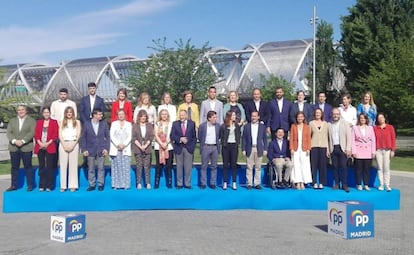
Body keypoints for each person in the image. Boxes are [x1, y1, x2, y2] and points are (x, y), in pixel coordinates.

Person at [6, 105, 36, 192]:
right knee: (14, 167)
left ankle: (30, 185)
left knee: (28, 166)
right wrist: (15, 141)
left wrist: (22, 141)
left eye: (22, 110)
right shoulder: (12, 121)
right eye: (19, 110)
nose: (20, 111)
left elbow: (32, 132)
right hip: (14, 147)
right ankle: (14, 185)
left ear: (26, 111)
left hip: (26, 147)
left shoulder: (31, 121)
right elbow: (9, 132)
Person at [80, 108, 110, 191]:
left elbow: (107, 137)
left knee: (101, 168)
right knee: (91, 168)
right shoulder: (86, 124)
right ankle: (92, 184)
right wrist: (84, 149)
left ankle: (100, 184)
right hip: (90, 149)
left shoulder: (104, 124)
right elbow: (83, 138)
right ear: (94, 115)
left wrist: (106, 148)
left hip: (101, 149)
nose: (101, 116)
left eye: (101, 114)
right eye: (99, 114)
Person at [33, 106, 59, 192]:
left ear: (50, 113)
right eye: (44, 112)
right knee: (41, 166)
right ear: (42, 114)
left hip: (50, 146)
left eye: (47, 112)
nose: (46, 114)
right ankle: (42, 185)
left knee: (49, 166)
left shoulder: (54, 122)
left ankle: (49, 185)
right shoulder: (39, 122)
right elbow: (36, 134)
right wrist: (40, 143)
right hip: (40, 146)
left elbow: (55, 134)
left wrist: (47, 143)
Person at [170, 109, 197, 189]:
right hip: (179, 147)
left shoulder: (192, 124)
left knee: (188, 167)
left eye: (183, 115)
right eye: (180, 115)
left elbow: (194, 137)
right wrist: (180, 139)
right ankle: (179, 183)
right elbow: (172, 135)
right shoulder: (175, 124)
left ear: (186, 116)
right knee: (179, 166)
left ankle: (187, 183)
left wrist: (191, 145)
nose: (181, 117)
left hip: (189, 148)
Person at [242, 111, 268, 190]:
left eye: (255, 116)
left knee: (258, 167)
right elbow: (244, 139)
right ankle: (249, 183)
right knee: (249, 167)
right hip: (249, 148)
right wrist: (243, 149)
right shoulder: (246, 126)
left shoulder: (262, 126)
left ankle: (257, 183)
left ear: (258, 117)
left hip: (259, 148)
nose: (253, 118)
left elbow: (265, 139)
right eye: (252, 116)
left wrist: (265, 149)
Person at [328, 108, 352, 192]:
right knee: (335, 167)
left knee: (343, 166)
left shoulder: (344, 123)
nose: (335, 115)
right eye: (334, 114)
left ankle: (344, 184)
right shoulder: (329, 124)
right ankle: (337, 184)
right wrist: (328, 149)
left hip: (343, 148)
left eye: (337, 114)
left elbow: (349, 137)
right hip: (333, 147)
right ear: (332, 114)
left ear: (339, 115)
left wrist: (348, 148)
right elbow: (328, 139)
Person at [58, 106, 81, 192]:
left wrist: (73, 145)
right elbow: (60, 134)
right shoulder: (62, 122)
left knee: (73, 165)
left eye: (70, 112)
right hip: (63, 143)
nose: (69, 114)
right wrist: (63, 144)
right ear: (65, 113)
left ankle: (73, 185)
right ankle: (63, 186)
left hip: (74, 143)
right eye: (67, 112)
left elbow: (78, 134)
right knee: (63, 165)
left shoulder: (77, 122)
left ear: (73, 113)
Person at [351, 113, 376, 191]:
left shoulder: (370, 128)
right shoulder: (355, 128)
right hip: (358, 151)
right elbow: (352, 140)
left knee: (367, 169)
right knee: (358, 169)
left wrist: (373, 152)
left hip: (368, 151)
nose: (362, 120)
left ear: (366, 120)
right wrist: (353, 151)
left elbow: (373, 140)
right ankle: (359, 184)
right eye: (361, 118)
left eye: (364, 118)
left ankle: (366, 184)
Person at [110, 109, 132, 189]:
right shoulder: (114, 124)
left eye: (122, 114)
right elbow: (112, 135)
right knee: (116, 167)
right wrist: (118, 144)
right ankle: (116, 185)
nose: (121, 115)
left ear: (125, 115)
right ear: (117, 115)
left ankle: (125, 185)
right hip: (116, 148)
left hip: (125, 148)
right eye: (119, 114)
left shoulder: (129, 124)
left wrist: (124, 144)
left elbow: (130, 136)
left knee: (125, 167)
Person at [198, 110, 221, 189]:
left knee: (214, 166)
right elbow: (200, 136)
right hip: (206, 147)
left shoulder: (218, 126)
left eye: (216, 117)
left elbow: (219, 136)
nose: (215, 119)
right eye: (214, 117)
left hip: (215, 147)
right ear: (209, 118)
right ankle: (203, 183)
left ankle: (212, 183)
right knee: (204, 166)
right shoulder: (202, 126)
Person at [132, 110, 154, 189]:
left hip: (147, 148)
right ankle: (138, 183)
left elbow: (151, 136)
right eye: (142, 116)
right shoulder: (135, 126)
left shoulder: (149, 125)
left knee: (147, 166)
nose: (143, 118)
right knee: (139, 166)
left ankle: (148, 183)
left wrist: (145, 145)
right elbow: (133, 137)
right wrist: (140, 146)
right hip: (138, 148)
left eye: (144, 116)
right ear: (139, 117)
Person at [374, 113, 396, 191]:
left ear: (384, 118)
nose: (380, 119)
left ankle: (387, 184)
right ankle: (381, 184)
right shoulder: (375, 128)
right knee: (380, 168)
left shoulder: (390, 127)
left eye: (382, 117)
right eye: (379, 118)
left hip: (387, 150)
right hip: (378, 150)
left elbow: (393, 139)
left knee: (386, 167)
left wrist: (393, 150)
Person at [290, 111, 312, 190]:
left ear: (303, 118)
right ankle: (297, 182)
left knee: (304, 164)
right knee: (296, 165)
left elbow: (309, 139)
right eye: (298, 117)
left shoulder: (307, 126)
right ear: (296, 118)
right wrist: (291, 148)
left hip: (304, 148)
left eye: (301, 117)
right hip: (295, 148)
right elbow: (291, 138)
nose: (300, 118)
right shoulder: (293, 126)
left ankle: (302, 181)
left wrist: (308, 148)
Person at [309, 108, 330, 189]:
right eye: (316, 113)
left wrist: (328, 149)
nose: (318, 114)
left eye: (319, 113)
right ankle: (314, 182)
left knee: (322, 166)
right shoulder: (311, 123)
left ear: (322, 114)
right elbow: (309, 136)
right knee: (313, 165)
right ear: (314, 114)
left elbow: (328, 137)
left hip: (323, 147)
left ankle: (321, 182)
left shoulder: (326, 124)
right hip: (313, 146)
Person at [220, 111, 241, 190]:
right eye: (233, 115)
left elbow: (238, 134)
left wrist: (237, 143)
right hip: (226, 146)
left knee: (233, 165)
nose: (234, 116)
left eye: (235, 115)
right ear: (229, 116)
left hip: (234, 146)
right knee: (225, 165)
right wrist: (223, 143)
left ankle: (234, 182)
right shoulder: (224, 126)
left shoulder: (237, 125)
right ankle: (225, 182)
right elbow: (221, 136)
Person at [154, 109, 174, 189]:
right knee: (159, 165)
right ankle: (156, 183)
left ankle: (169, 182)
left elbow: (172, 135)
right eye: (162, 114)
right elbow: (156, 135)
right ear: (160, 115)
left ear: (168, 115)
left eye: (165, 114)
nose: (164, 116)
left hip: (169, 147)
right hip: (158, 146)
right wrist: (161, 143)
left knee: (169, 165)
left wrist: (166, 143)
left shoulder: (171, 124)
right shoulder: (157, 124)